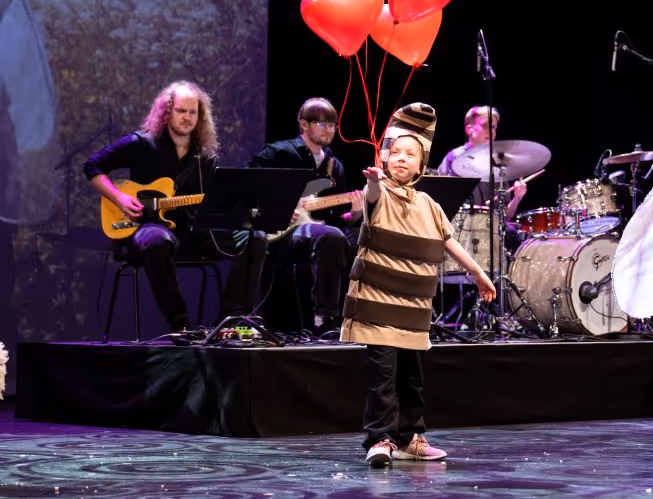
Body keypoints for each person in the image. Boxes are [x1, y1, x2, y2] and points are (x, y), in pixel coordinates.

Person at [341, 103, 497, 467]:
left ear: (421, 163)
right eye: (395, 152)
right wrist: (373, 180)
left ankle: (411, 436)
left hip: (412, 310)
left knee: (412, 377)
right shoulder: (379, 195)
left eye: (410, 154)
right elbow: (373, 197)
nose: (401, 158)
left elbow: (448, 241)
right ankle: (380, 439)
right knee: (383, 375)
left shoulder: (428, 203)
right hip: (378, 306)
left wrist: (478, 272)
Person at [83, 80, 267, 335]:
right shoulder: (141, 144)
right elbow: (92, 166)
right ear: (167, 111)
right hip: (145, 229)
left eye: (193, 112)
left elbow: (216, 202)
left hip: (192, 234)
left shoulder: (204, 157)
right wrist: (119, 198)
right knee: (158, 239)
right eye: (182, 111)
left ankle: (231, 321)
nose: (187, 118)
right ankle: (181, 326)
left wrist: (239, 213)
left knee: (255, 238)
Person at [248, 98, 363, 334]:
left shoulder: (335, 166)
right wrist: (276, 208)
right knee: (331, 236)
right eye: (322, 124)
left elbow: (337, 218)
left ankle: (350, 318)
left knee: (352, 238)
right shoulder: (277, 153)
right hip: (281, 234)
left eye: (332, 125)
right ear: (303, 124)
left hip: (316, 233)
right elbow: (248, 189)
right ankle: (325, 317)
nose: (329, 130)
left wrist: (357, 211)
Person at [436, 106, 527, 223]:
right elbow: (438, 202)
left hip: (490, 234)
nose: (491, 131)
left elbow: (504, 218)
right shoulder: (453, 158)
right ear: (469, 129)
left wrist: (517, 197)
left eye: (493, 127)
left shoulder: (498, 164)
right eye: (485, 125)